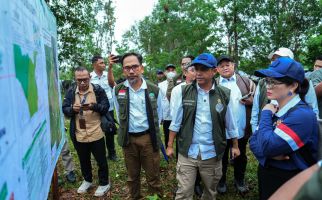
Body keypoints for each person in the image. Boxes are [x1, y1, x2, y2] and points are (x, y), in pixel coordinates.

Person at [166, 53, 240, 200]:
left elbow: (230, 122)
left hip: (212, 152)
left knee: (210, 192)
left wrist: (235, 145)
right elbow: (176, 121)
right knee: (183, 193)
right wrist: (169, 145)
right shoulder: (184, 92)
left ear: (214, 71)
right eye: (196, 69)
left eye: (203, 69)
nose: (198, 73)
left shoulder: (224, 94)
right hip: (188, 152)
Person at [249, 57, 319, 200]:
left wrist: (266, 114)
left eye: (274, 81)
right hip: (269, 175)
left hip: (291, 182)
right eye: (267, 81)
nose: (268, 86)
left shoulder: (301, 115)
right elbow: (253, 141)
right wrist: (268, 153)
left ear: (293, 85)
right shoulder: (276, 108)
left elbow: (267, 145)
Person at [111, 52, 162, 199]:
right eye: (127, 68)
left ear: (141, 68)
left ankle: (155, 197)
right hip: (129, 140)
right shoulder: (118, 90)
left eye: (135, 67)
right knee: (132, 176)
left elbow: (160, 115)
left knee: (153, 175)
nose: (131, 71)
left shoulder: (153, 90)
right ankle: (135, 197)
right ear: (123, 70)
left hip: (148, 139)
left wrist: (149, 132)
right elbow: (119, 113)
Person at [62, 67, 110, 197]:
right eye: (79, 80)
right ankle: (87, 180)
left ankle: (104, 183)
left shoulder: (98, 90)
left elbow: (106, 107)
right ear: (75, 79)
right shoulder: (71, 92)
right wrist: (72, 109)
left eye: (85, 79)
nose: (82, 83)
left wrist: (94, 106)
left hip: (96, 131)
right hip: (79, 133)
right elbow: (64, 108)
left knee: (101, 160)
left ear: (89, 77)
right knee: (84, 160)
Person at [250, 48, 319, 133]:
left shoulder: (305, 83)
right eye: (273, 60)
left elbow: (313, 110)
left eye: (281, 59)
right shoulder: (262, 82)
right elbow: (255, 110)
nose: (276, 62)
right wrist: (255, 132)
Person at [215, 55, 256, 194]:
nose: (225, 67)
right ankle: (221, 181)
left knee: (240, 155)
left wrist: (252, 101)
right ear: (217, 69)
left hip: (241, 127)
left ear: (233, 65)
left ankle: (239, 180)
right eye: (222, 66)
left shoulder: (246, 82)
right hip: (221, 130)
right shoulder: (214, 83)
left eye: (228, 64)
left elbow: (258, 100)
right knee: (221, 157)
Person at [90, 55, 118, 161]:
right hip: (96, 109)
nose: (103, 65)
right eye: (101, 63)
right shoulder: (90, 77)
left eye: (104, 62)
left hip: (109, 108)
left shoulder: (108, 75)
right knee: (97, 131)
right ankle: (99, 154)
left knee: (110, 130)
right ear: (94, 64)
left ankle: (112, 153)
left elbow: (113, 86)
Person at [158, 64, 176, 149]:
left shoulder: (180, 82)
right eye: (169, 70)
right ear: (165, 73)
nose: (171, 72)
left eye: (172, 70)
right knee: (167, 134)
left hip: (177, 113)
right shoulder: (161, 85)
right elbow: (160, 100)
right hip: (166, 113)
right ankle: (168, 150)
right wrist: (160, 116)